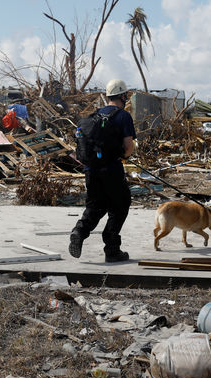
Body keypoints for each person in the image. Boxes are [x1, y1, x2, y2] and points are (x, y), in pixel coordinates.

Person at [69, 79, 137, 263]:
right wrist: (123, 156)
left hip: (91, 170)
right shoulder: (123, 116)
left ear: (107, 96)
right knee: (120, 205)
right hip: (111, 170)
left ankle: (79, 231)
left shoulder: (93, 116)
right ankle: (112, 249)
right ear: (123, 96)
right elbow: (128, 146)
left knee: (95, 206)